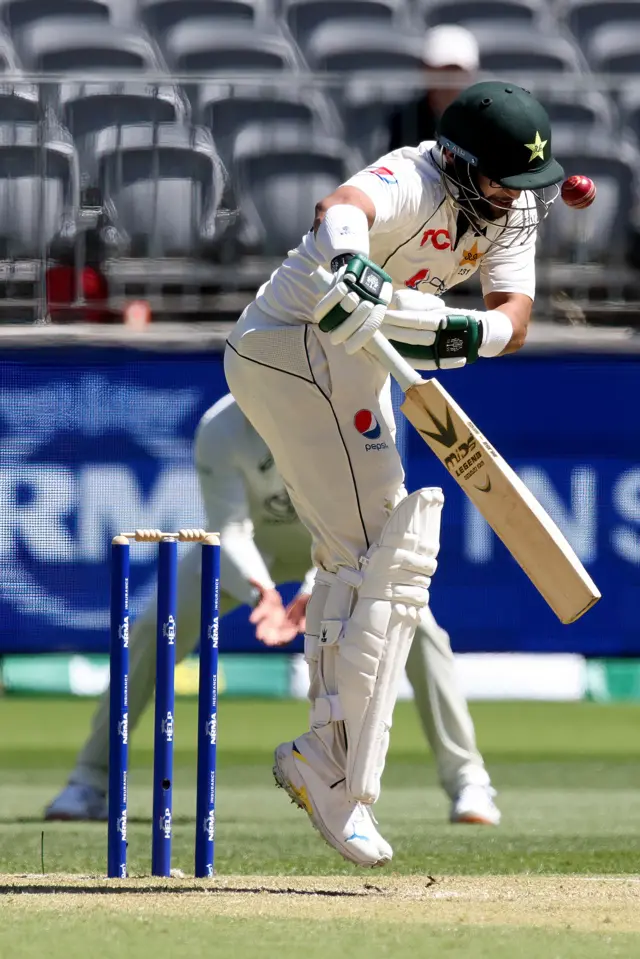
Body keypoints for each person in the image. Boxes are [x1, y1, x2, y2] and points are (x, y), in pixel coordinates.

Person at [224, 81, 564, 867]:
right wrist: (351, 264)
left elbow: (512, 320)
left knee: (373, 560)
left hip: (357, 362)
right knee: (391, 554)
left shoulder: (510, 211)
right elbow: (339, 208)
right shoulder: (415, 176)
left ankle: (328, 760)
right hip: (292, 347)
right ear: (460, 162)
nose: (517, 199)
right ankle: (336, 776)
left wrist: (442, 324)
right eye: (504, 178)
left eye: (528, 183)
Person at [45, 393, 498, 827]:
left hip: (343, 546)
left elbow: (358, 520)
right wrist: (263, 591)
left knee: (420, 629)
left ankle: (468, 781)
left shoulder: (341, 413)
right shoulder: (220, 428)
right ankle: (90, 780)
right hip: (251, 551)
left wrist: (311, 589)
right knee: (152, 627)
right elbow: (230, 529)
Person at [387, 25, 479, 153]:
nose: (449, 80)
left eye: (455, 70)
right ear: (426, 69)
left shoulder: (483, 120)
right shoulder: (405, 119)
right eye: (442, 70)